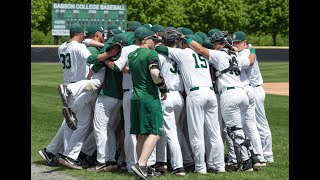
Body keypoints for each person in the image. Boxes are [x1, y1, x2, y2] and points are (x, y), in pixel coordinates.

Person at [182, 29, 255, 172]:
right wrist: (252, 50)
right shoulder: (235, 55)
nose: (213, 46)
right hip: (242, 93)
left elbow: (201, 49)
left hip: (229, 95)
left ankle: (246, 162)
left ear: (221, 43)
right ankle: (252, 157)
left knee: (234, 131)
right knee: (239, 129)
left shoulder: (219, 55)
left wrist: (186, 39)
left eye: (215, 43)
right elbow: (251, 60)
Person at [156, 33, 225, 174]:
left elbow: (161, 49)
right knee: (214, 132)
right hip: (210, 93)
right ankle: (220, 165)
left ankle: (200, 167)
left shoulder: (183, 53)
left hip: (196, 94)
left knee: (197, 133)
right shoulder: (205, 55)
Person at [126, 28, 166, 180]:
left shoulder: (131, 54)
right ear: (144, 40)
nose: (154, 43)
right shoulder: (151, 53)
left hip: (135, 96)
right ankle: (141, 165)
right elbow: (155, 73)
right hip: (149, 96)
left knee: (141, 134)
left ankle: (141, 166)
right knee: (155, 132)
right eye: (152, 40)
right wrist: (163, 88)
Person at [233, 31, 274, 163]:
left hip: (255, 90)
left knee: (260, 124)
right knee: (253, 124)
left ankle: (267, 155)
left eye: (238, 42)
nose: (235, 44)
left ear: (244, 42)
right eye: (234, 42)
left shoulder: (246, 53)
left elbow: (247, 61)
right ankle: (263, 154)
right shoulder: (248, 51)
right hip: (251, 90)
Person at [154, 27, 186, 176]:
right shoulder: (181, 54)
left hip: (166, 95)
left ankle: (178, 166)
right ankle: (162, 162)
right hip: (179, 96)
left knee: (169, 132)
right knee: (171, 130)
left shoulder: (160, 55)